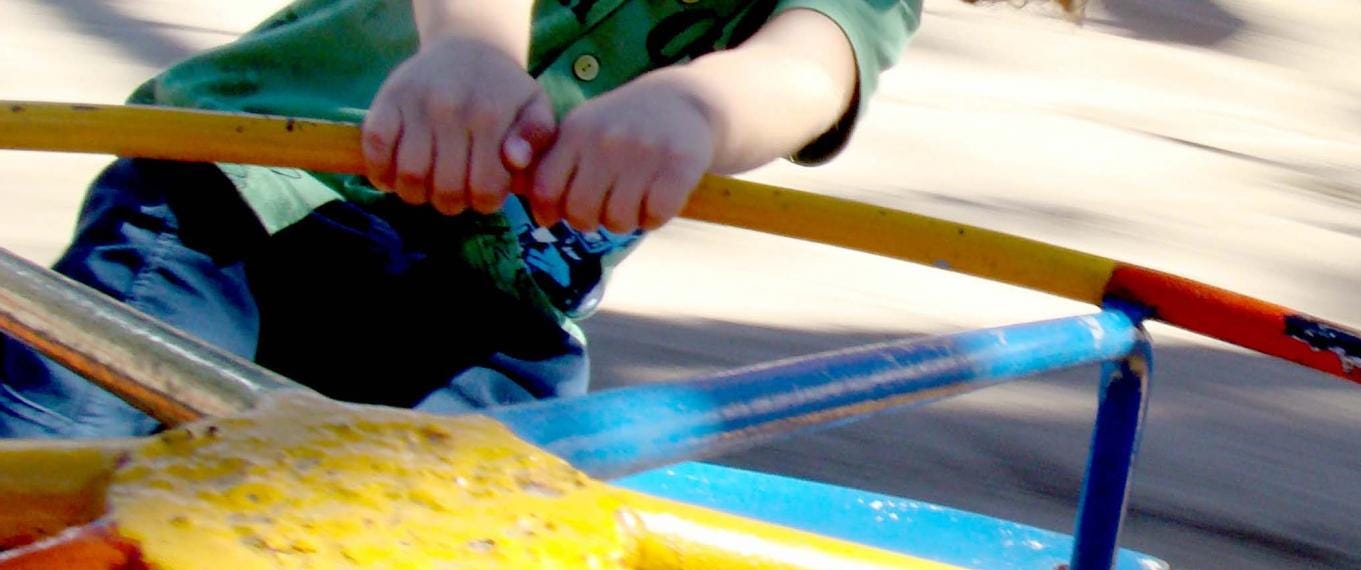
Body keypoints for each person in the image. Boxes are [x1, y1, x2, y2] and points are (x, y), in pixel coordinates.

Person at [0, 0, 920, 439]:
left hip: (490, 306)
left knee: (460, 561)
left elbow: (811, 66)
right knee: (54, 469)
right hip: (242, 204)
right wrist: (472, 47)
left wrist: (700, 106)